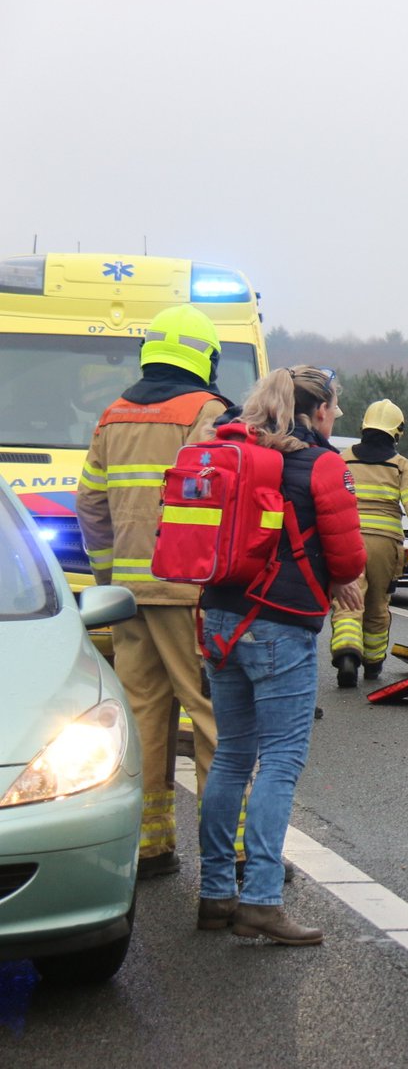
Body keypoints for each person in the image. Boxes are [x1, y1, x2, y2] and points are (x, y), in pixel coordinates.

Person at [196, 366, 365, 946]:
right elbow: (348, 560)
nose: (337, 418)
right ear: (317, 411)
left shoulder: (227, 448)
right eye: (334, 408)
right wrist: (337, 579)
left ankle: (215, 892)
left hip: (219, 616)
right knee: (282, 761)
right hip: (279, 624)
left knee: (231, 758)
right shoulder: (320, 464)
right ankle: (263, 899)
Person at [77, 304, 230, 880]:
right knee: (214, 714)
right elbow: (219, 497)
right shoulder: (207, 412)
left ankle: (148, 843)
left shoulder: (111, 415)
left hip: (128, 596)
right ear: (204, 356)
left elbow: (89, 503)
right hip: (190, 593)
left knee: (143, 712)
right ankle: (228, 853)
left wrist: (107, 575)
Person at [330, 398, 408, 686]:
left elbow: (329, 503)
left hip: (349, 542)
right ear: (397, 432)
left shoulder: (343, 459)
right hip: (385, 547)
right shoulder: (399, 465)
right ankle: (372, 663)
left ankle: (347, 653)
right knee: (378, 605)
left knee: (347, 602)